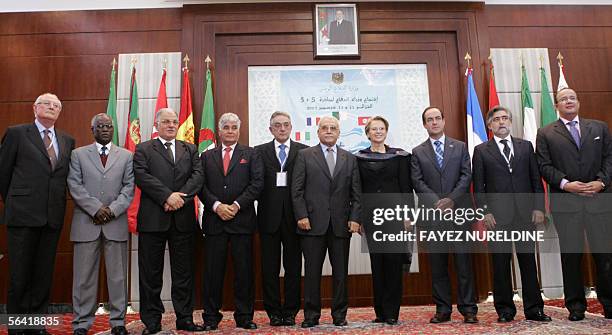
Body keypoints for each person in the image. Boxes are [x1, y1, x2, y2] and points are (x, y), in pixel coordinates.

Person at [0, 93, 75, 335]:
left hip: (52, 216)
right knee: (20, 274)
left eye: (56, 105)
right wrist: (15, 200)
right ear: (35, 108)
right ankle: (17, 327)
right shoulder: (17, 133)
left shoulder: (67, 140)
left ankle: (36, 326)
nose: (52, 107)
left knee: (43, 275)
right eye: (47, 104)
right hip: (22, 215)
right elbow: (3, 173)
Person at [536, 88, 612, 321]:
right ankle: (576, 306)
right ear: (556, 105)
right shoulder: (546, 133)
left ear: (578, 102)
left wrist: (601, 181)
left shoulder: (599, 127)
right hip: (566, 203)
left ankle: (609, 303)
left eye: (572, 98)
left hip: (599, 200)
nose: (568, 101)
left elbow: (610, 158)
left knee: (605, 256)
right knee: (571, 256)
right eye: (563, 99)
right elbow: (544, 165)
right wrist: (566, 184)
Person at [472, 106, 552, 323]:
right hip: (496, 217)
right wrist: (484, 212)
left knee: (528, 263)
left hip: (525, 215)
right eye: (497, 119)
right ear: (490, 125)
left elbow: (536, 180)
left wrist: (539, 208)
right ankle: (505, 310)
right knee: (500, 264)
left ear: (510, 122)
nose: (502, 122)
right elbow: (479, 186)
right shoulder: (481, 150)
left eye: (505, 118)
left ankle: (534, 309)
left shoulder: (526, 147)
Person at [133, 108, 204, 334]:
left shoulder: (190, 149)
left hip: (182, 220)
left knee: (183, 273)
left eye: (174, 121)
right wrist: (167, 196)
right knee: (150, 274)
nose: (171, 125)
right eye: (166, 122)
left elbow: (198, 176)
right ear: (157, 124)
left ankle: (184, 318)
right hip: (153, 219)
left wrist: (178, 198)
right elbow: (142, 176)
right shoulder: (143, 148)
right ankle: (151, 321)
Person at [292, 116, 361, 328]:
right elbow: (297, 190)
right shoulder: (304, 155)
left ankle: (339, 315)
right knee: (312, 273)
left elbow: (356, 193)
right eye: (325, 128)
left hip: (341, 225)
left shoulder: (350, 158)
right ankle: (311, 316)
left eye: (333, 128)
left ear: (339, 133)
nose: (329, 131)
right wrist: (301, 215)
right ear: (318, 132)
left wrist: (355, 218)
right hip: (312, 224)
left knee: (340, 274)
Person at [68, 113, 135, 335]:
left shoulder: (126, 156)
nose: (105, 129)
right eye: (100, 126)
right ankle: (81, 323)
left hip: (115, 223)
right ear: (92, 129)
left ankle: (118, 322)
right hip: (86, 222)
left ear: (113, 129)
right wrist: (96, 208)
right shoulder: (78, 155)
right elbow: (74, 185)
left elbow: (129, 188)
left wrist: (112, 210)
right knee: (83, 278)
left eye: (108, 126)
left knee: (117, 277)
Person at [410, 106, 478, 324]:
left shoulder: (459, 147)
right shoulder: (417, 152)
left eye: (438, 118)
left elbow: (466, 176)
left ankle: (468, 309)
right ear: (424, 124)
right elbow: (417, 181)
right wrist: (436, 202)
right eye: (429, 119)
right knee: (438, 265)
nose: (434, 122)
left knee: (463, 264)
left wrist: (451, 199)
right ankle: (443, 309)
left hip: (458, 214)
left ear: (444, 120)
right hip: (432, 217)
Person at [200, 112, 264, 330]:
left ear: (239, 130)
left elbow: (257, 184)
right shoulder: (207, 156)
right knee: (212, 273)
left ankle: (245, 317)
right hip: (215, 222)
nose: (230, 131)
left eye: (233, 127)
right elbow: (201, 186)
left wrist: (236, 206)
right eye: (226, 127)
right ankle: (210, 317)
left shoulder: (251, 154)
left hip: (242, 221)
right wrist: (217, 206)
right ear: (219, 130)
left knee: (244, 273)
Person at [355, 116, 413, 325]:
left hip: (395, 217)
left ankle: (392, 312)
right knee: (377, 263)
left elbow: (406, 187)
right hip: (371, 219)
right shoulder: (359, 158)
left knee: (393, 263)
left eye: (382, 128)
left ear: (386, 132)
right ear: (368, 133)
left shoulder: (399, 156)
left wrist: (408, 215)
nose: (378, 132)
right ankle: (380, 311)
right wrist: (359, 218)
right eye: (374, 129)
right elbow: (357, 190)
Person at [255, 111, 308, 327]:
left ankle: (291, 311)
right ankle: (273, 312)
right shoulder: (259, 152)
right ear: (271, 129)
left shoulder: (304, 152)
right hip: (268, 218)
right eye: (277, 125)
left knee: (294, 267)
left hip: (295, 219)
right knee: (269, 268)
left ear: (291, 127)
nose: (282, 128)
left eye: (286, 124)